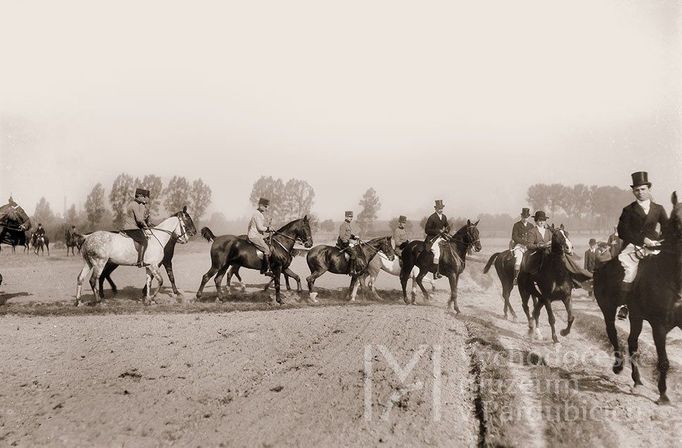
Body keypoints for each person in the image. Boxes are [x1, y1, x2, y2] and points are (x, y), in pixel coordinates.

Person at [615, 171, 668, 320]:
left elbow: (666, 228)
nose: (640, 192)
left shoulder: (658, 208)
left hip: (655, 245)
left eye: (643, 189)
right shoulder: (628, 210)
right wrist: (642, 240)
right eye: (637, 190)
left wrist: (660, 241)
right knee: (631, 271)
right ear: (633, 191)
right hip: (633, 246)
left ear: (648, 189)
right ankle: (624, 305)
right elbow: (622, 231)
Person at [124, 188, 152, 268]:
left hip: (131, 227)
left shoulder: (133, 204)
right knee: (144, 241)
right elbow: (139, 219)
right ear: (139, 196)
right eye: (143, 197)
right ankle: (140, 261)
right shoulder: (135, 205)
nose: (144, 198)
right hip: (132, 228)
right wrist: (146, 226)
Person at [247, 198, 273, 276]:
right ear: (260, 205)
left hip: (258, 235)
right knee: (267, 250)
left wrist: (268, 229)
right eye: (265, 206)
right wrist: (268, 229)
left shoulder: (259, 214)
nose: (266, 208)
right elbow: (260, 228)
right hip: (254, 236)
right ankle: (265, 269)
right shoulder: (257, 214)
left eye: (267, 206)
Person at [424, 200, 450, 279]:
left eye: (442, 208)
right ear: (435, 209)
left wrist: (447, 230)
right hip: (432, 239)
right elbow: (427, 230)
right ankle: (435, 273)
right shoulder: (432, 217)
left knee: (450, 247)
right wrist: (438, 231)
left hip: (441, 237)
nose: (441, 210)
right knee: (437, 253)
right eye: (439, 208)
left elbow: (448, 226)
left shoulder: (444, 217)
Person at [510, 207, 534, 284]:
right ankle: (516, 277)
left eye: (526, 217)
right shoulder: (516, 225)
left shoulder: (531, 226)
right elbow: (514, 236)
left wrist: (530, 242)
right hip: (519, 246)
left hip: (529, 246)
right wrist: (524, 242)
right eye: (524, 217)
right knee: (519, 259)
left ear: (528, 217)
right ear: (521, 216)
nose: (525, 219)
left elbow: (533, 236)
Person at [337, 211, 363, 275]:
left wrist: (354, 237)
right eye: (349, 217)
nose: (351, 218)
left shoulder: (347, 225)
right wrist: (347, 244)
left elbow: (348, 235)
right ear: (346, 217)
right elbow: (342, 236)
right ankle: (351, 270)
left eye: (351, 217)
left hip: (346, 241)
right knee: (353, 253)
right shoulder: (343, 225)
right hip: (343, 243)